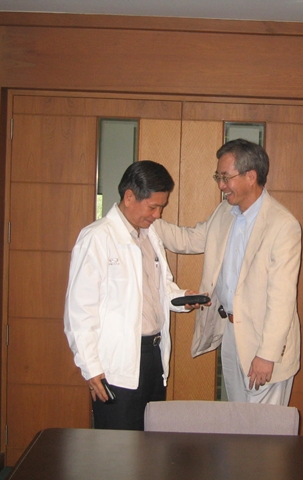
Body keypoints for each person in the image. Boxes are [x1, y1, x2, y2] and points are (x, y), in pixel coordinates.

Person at [152, 139, 301, 406]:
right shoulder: (224, 212)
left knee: (265, 427)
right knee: (237, 418)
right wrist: (146, 215)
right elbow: (189, 240)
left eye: (225, 177)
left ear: (250, 176)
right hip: (232, 333)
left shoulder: (282, 225)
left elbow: (283, 299)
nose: (221, 185)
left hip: (264, 341)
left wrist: (266, 355)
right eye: (218, 177)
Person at [64, 160, 199, 430]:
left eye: (161, 207)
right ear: (129, 197)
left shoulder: (150, 236)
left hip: (153, 356)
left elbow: (160, 288)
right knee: (117, 445)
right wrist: (91, 368)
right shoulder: (97, 238)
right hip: (116, 363)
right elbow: (79, 312)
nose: (157, 215)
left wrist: (182, 298)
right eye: (153, 207)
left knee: (151, 441)